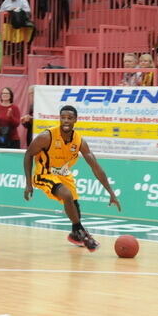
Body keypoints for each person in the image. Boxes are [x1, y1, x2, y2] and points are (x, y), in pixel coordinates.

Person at [23, 105, 121, 251]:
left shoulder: (79, 141)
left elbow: (96, 167)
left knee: (75, 206)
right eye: (63, 118)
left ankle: (75, 234)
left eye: (69, 118)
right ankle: (81, 232)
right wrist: (28, 183)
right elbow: (28, 154)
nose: (66, 121)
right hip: (44, 173)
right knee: (66, 195)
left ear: (75, 120)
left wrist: (111, 193)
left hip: (63, 174)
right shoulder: (47, 136)